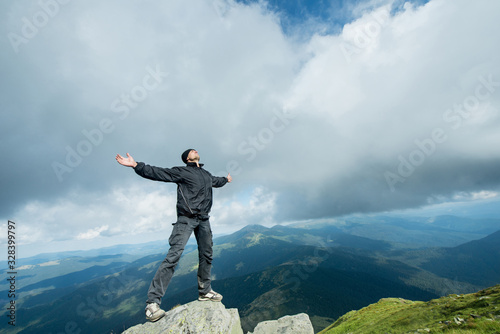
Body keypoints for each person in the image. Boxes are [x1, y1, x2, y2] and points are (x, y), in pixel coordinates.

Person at [115, 149, 232, 322]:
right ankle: (152, 304)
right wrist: (136, 165)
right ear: (187, 158)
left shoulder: (205, 174)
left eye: (196, 150)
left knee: (207, 255)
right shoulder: (182, 171)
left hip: (204, 220)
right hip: (186, 220)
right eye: (191, 151)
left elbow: (216, 181)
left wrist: (226, 180)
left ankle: (205, 291)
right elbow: (159, 173)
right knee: (173, 257)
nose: (195, 151)